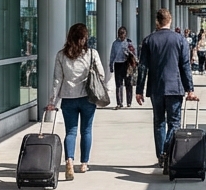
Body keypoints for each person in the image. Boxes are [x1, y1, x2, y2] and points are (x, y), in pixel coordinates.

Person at [135, 8, 199, 167]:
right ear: (170, 21)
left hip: (156, 88)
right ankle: (167, 152)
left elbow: (143, 67)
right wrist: (190, 88)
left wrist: (139, 90)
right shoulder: (180, 40)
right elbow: (185, 66)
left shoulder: (149, 40)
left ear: (157, 21)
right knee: (174, 123)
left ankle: (161, 157)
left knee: (159, 123)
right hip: (175, 87)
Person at [45, 23, 106, 180]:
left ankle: (69, 161)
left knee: (70, 131)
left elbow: (57, 80)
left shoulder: (61, 55)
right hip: (87, 98)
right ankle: (84, 163)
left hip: (68, 99)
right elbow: (102, 75)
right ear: (85, 38)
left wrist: (52, 101)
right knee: (86, 131)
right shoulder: (92, 54)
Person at [109, 26, 137, 109]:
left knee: (128, 84)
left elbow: (134, 55)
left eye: (123, 34)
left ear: (125, 34)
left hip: (126, 64)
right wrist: (111, 64)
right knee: (119, 84)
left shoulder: (129, 43)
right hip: (118, 64)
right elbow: (112, 55)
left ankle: (129, 102)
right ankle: (119, 102)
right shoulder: (115, 43)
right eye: (120, 34)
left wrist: (129, 52)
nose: (121, 36)